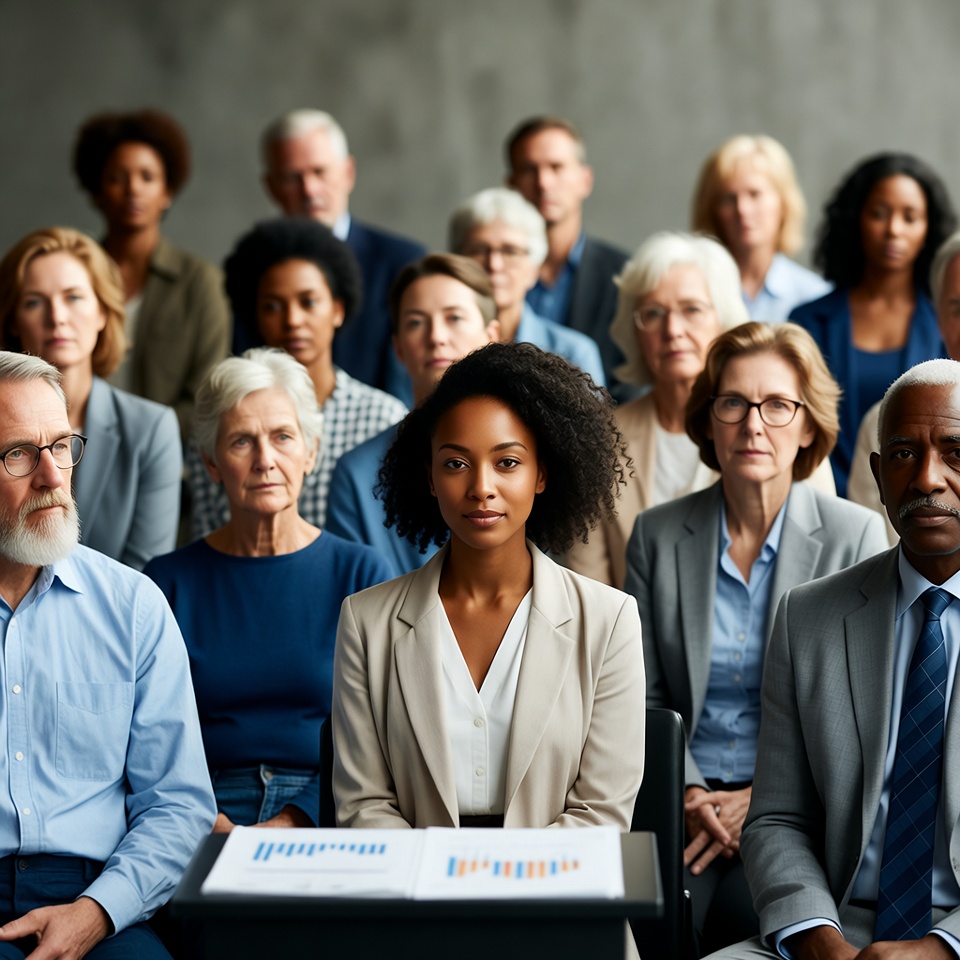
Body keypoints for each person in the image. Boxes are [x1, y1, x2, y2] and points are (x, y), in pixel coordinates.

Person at [623, 322, 887, 954]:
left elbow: (860, 717)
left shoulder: (857, 539)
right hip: (677, 800)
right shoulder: (657, 536)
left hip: (800, 809)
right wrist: (688, 791)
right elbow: (641, 690)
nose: (752, 424)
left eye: (777, 405)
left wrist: (757, 799)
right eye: (733, 402)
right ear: (708, 419)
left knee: (744, 919)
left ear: (808, 425)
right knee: (651, 923)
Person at [332, 341, 644, 832]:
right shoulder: (366, 621)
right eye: (456, 463)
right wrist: (442, 894)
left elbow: (600, 813)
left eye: (508, 462)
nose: (481, 486)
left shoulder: (609, 621)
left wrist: (504, 892)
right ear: (430, 478)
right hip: (415, 896)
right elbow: (363, 805)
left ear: (542, 473)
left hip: (559, 893)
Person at [709, 359, 960, 960]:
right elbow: (776, 820)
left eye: (956, 451)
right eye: (902, 454)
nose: (926, 477)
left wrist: (940, 948)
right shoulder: (809, 617)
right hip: (835, 931)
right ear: (877, 475)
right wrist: (820, 943)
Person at [0, 351, 214, 959]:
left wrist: (97, 912)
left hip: (97, 894)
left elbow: (177, 804)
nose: (51, 475)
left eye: (61, 446)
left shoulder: (133, 606)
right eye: (19, 454)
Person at [146, 349, 391, 831]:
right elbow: (148, 736)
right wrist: (203, 820)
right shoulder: (166, 582)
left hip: (329, 807)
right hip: (198, 811)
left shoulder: (361, 574)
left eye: (282, 437)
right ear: (212, 464)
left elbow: (379, 735)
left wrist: (294, 820)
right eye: (241, 441)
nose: (265, 460)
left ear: (311, 451)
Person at [189, 218, 407, 538]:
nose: (292, 320)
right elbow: (206, 537)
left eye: (308, 302)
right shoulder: (221, 419)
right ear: (254, 316)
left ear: (337, 309)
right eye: (273, 306)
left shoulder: (384, 419)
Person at [565, 232, 748, 588]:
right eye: (652, 313)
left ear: (723, 321)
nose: (672, 330)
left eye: (691, 310)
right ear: (634, 334)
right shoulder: (600, 442)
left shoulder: (769, 428)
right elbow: (586, 589)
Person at [0, 227, 181, 570]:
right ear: (12, 322)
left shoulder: (152, 429)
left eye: (74, 297)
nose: (57, 317)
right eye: (34, 301)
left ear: (102, 312)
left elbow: (143, 578)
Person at [789, 152, 957, 497]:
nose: (893, 229)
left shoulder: (947, 323)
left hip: (923, 499)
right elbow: (796, 424)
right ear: (857, 220)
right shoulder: (808, 322)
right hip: (821, 498)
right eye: (879, 214)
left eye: (910, 217)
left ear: (928, 228)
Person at [326, 254, 499, 577]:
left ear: (492, 335)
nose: (436, 337)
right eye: (416, 322)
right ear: (398, 348)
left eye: (454, 318)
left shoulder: (529, 454)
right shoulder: (357, 475)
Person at [72, 109, 231, 442]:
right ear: (96, 191)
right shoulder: (72, 275)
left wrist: (143, 440)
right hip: (69, 450)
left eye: (147, 177)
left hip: (167, 460)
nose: (133, 189)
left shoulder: (200, 283)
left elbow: (207, 395)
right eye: (117, 177)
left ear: (167, 191)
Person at [260, 109, 425, 397]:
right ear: (271, 187)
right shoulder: (252, 271)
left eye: (319, 172)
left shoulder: (403, 264)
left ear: (348, 172)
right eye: (292, 177)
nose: (309, 190)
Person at [504, 116, 630, 398]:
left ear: (585, 180)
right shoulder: (490, 275)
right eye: (529, 169)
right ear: (511, 185)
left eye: (556, 167)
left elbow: (633, 378)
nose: (544, 182)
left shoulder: (625, 275)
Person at [849, 231, 960, 544]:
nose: (928, 479)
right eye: (959, 308)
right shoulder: (882, 422)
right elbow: (873, 563)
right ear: (938, 318)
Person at [447, 187, 606, 397]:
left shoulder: (575, 353)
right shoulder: (435, 343)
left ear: (534, 268)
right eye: (478, 250)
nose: (494, 264)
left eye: (510, 251)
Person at [691, 134, 831, 321]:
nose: (742, 209)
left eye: (755, 194)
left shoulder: (815, 297)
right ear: (712, 209)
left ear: (783, 203)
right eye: (728, 198)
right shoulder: (693, 292)